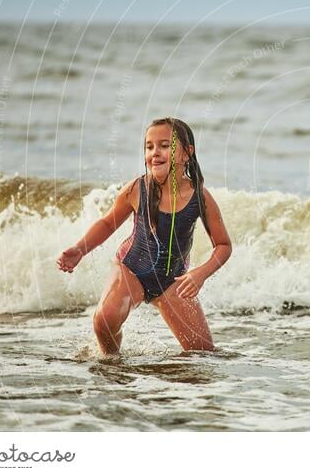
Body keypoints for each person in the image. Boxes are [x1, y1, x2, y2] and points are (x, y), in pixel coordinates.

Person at [56, 117, 232, 354]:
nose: (154, 153)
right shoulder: (137, 189)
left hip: (173, 281)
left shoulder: (200, 197)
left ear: (186, 153)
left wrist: (199, 275)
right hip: (132, 270)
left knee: (203, 353)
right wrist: (80, 249)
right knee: (104, 321)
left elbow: (223, 245)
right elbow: (108, 223)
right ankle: (111, 361)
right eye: (149, 147)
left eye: (164, 145)